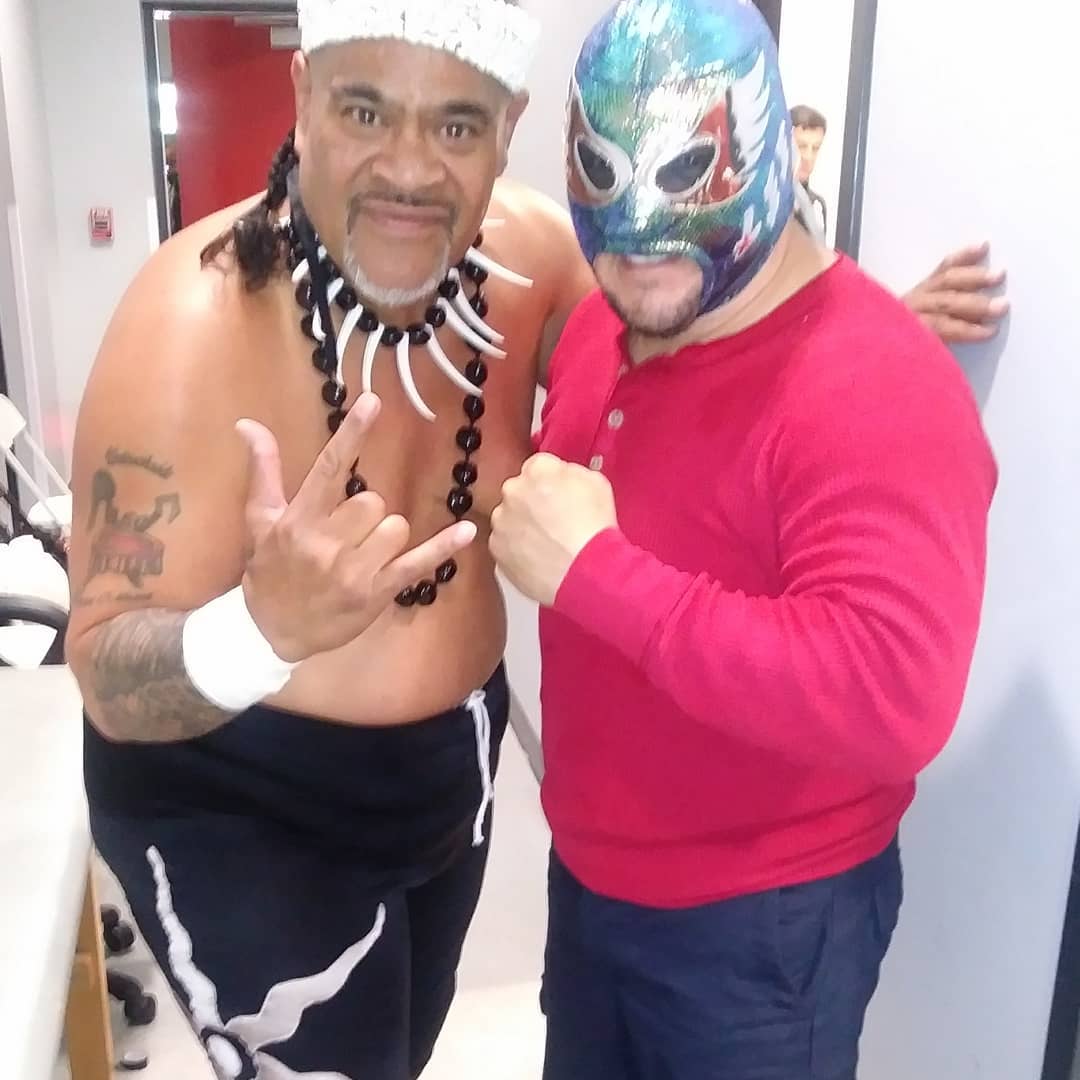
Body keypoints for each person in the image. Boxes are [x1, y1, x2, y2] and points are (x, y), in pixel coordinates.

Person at [65, 2, 595, 1077]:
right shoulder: (191, 321)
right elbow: (106, 670)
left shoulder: (533, 262)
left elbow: (676, 371)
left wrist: (820, 346)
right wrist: (257, 631)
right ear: (304, 100)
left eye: (456, 125)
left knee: (404, 1049)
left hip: (452, 766)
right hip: (240, 805)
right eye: (365, 111)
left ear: (509, 128)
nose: (409, 168)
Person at [490, 2, 998, 1077]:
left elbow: (894, 697)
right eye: (608, 208)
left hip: (762, 928)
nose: (640, 264)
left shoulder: (880, 385)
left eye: (681, 194)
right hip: (593, 886)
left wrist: (597, 575)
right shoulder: (606, 323)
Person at [791, 103, 829, 235]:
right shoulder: (764, 202)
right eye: (801, 146)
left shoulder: (817, 206)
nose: (808, 157)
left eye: (815, 148)